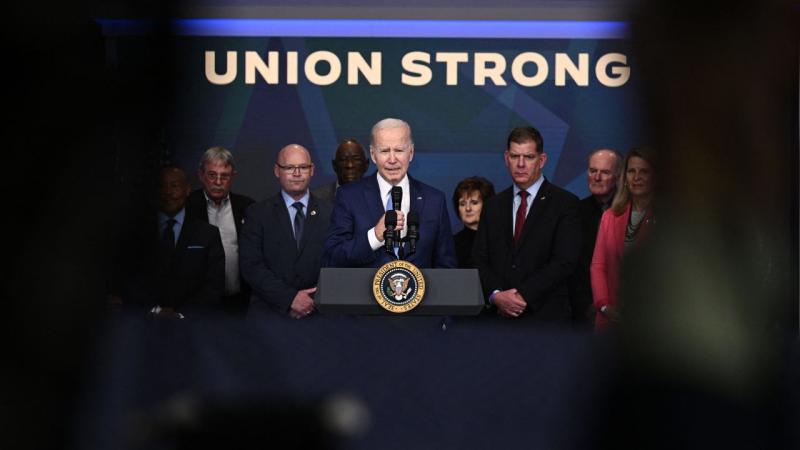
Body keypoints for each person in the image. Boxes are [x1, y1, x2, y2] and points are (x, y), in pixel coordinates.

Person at [473, 126, 581, 322]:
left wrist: (522, 296)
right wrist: (497, 295)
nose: (520, 164)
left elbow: (564, 262)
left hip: (546, 319)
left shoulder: (566, 204)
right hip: (498, 321)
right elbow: (479, 259)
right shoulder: (493, 206)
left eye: (529, 157)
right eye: (515, 157)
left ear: (542, 160)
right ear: (506, 159)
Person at [324, 118, 456, 269]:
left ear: (411, 153)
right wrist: (375, 236)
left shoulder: (434, 200)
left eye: (399, 150)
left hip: (423, 292)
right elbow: (333, 257)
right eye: (385, 151)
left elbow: (447, 267)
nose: (392, 159)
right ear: (373, 155)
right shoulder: (349, 196)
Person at [110, 166, 226, 317]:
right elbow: (125, 278)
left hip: (192, 325)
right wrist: (154, 311)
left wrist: (181, 314)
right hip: (141, 322)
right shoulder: (135, 232)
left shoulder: (208, 234)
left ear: (187, 190)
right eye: (161, 186)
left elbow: (214, 286)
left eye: (174, 186)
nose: (168, 192)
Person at [239, 144, 333, 319]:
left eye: (303, 167)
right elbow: (251, 266)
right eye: (289, 167)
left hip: (319, 314)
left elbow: (338, 262)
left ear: (312, 170)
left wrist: (312, 298)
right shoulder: (257, 214)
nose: (297, 174)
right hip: (270, 313)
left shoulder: (331, 213)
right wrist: (289, 298)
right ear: (277, 170)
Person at [591, 146, 656, 330]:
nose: (636, 178)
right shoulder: (610, 216)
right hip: (611, 319)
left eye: (644, 172)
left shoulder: (669, 217)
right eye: (631, 171)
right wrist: (604, 306)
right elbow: (598, 266)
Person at [185, 146, 255, 313]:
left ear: (233, 177)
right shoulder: (187, 208)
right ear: (201, 175)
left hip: (239, 304)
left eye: (224, 176)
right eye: (212, 175)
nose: (217, 182)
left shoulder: (247, 207)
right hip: (195, 305)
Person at [568, 148, 622, 328]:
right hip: (582, 313)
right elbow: (570, 266)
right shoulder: (574, 212)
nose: (597, 177)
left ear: (618, 177)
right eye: (592, 171)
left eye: (605, 172)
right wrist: (587, 306)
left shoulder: (631, 213)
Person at [452, 176, 495, 268]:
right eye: (462, 204)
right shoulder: (451, 244)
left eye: (474, 203)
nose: (468, 208)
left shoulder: (501, 241)